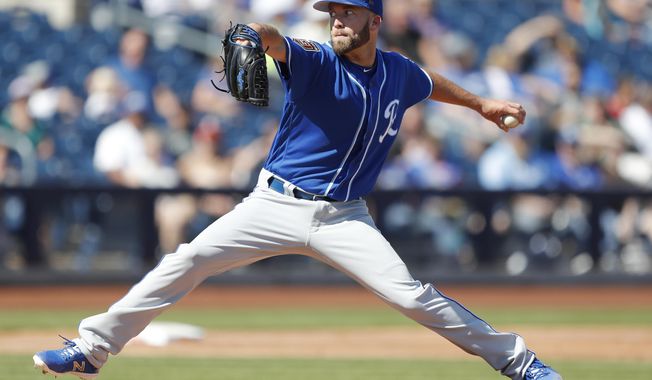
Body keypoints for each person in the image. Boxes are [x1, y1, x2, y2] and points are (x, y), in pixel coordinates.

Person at [33, 1, 562, 379]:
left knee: (411, 295)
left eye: (348, 13)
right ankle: (91, 349)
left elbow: (429, 80)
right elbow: (269, 37)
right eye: (332, 12)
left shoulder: (398, 71)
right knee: (186, 259)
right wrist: (249, 32)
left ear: (374, 21)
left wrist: (482, 105)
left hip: (345, 218)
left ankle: (519, 362)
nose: (337, 20)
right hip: (273, 203)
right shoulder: (315, 59)